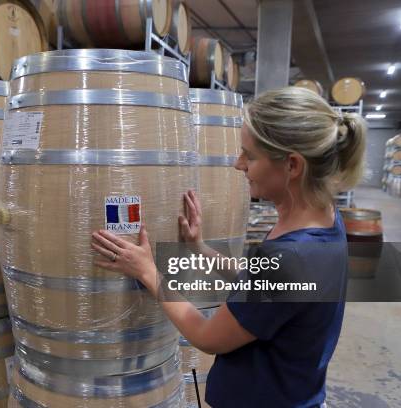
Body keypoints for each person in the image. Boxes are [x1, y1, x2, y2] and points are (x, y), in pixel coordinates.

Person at [91, 87, 366, 407]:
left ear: (292, 165)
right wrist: (201, 249)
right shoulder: (325, 220)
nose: (238, 164)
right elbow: (273, 286)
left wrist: (149, 272)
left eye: (249, 155)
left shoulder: (290, 256)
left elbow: (209, 337)